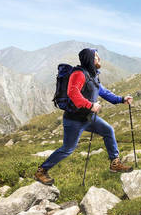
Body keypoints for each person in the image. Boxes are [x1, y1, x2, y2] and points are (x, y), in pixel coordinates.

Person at [35, 48, 133, 185]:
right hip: (74, 120)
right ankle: (41, 171)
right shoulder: (78, 74)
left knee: (108, 130)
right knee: (67, 149)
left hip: (88, 118)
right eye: (97, 57)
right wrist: (90, 105)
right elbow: (72, 93)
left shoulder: (92, 75)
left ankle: (115, 163)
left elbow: (104, 92)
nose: (99, 59)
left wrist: (122, 99)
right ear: (90, 59)